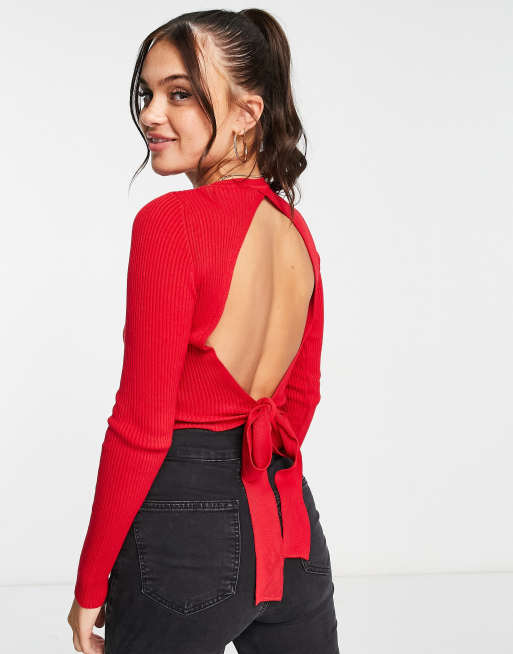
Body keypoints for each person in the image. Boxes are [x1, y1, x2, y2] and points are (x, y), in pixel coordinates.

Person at [68, 9, 339, 654]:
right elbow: (301, 399)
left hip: (185, 535)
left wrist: (90, 584)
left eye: (181, 94)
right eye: (149, 93)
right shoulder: (295, 232)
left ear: (247, 113)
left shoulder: (170, 224)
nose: (151, 115)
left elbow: (141, 427)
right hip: (289, 529)